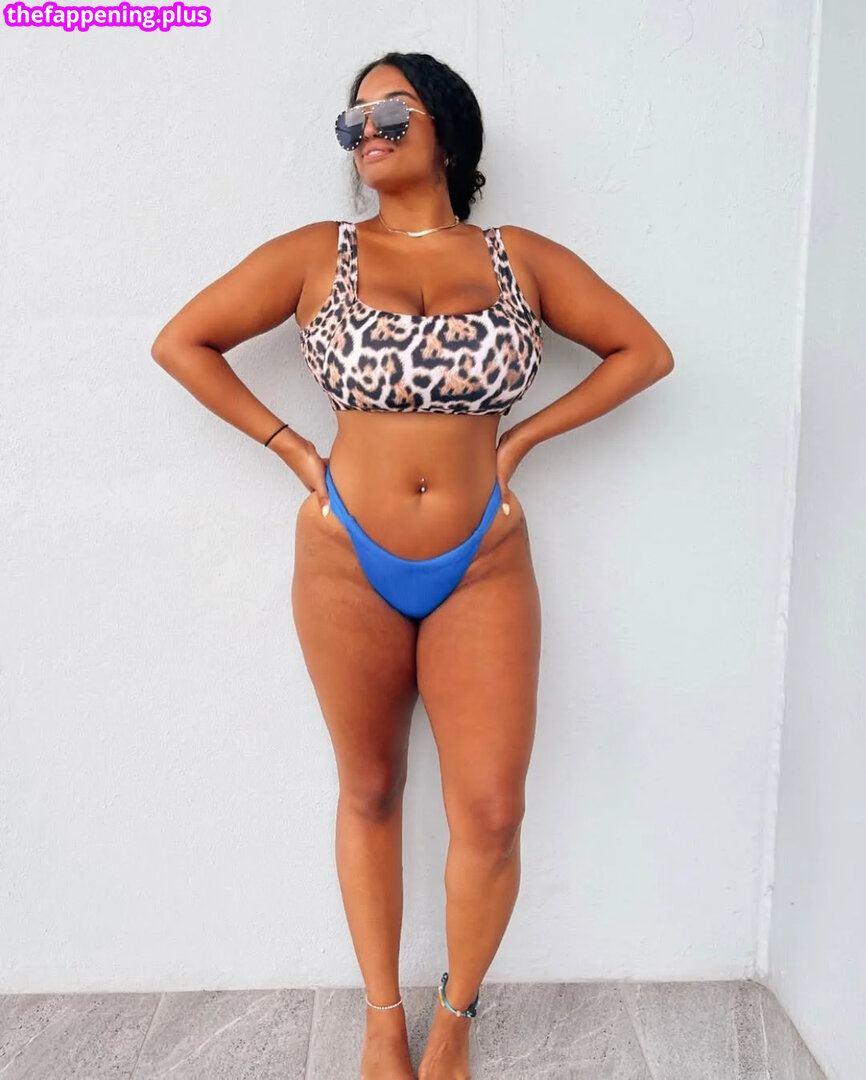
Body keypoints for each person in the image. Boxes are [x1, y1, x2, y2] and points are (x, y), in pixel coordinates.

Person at [151, 49, 674, 1080]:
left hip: (485, 558)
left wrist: (521, 442)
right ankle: (381, 1022)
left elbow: (642, 353)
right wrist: (293, 450)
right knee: (371, 789)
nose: (369, 133)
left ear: (445, 126)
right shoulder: (320, 254)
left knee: (491, 811)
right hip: (345, 552)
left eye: (390, 112)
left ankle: (454, 1024)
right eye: (353, 122)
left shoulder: (519, 258)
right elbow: (182, 342)